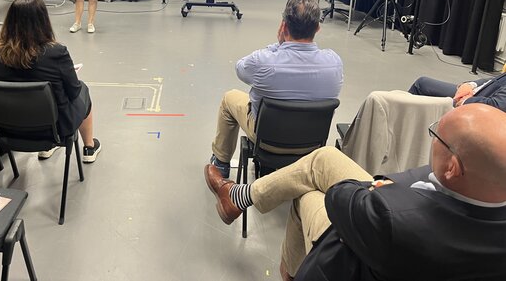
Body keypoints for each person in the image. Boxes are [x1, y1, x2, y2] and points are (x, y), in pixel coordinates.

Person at [205, 103, 506, 281]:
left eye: (437, 134)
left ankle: (287, 267)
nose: (433, 138)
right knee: (322, 158)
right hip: (404, 227)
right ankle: (239, 198)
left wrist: (377, 190)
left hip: (369, 242)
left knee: (306, 193)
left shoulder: (391, 219)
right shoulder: (485, 190)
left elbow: (340, 198)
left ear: (453, 168)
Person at [208, 0, 343, 178]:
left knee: (229, 98)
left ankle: (221, 163)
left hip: (266, 141)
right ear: (317, 28)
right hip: (311, 144)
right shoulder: (334, 63)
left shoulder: (263, 62)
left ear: (284, 26)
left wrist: (278, 46)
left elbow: (240, 68)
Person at [0, 0, 101, 162]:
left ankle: (48, 148)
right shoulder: (56, 53)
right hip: (54, 129)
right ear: (43, 21)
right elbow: (74, 92)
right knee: (83, 89)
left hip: (5, 127)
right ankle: (89, 147)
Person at [408, 73, 506, 111]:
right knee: (423, 82)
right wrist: (472, 84)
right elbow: (496, 79)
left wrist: (465, 101)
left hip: (476, 106)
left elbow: (497, 105)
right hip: (477, 92)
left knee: (421, 84)